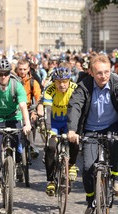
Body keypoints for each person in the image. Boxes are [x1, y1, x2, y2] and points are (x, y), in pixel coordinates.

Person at [67, 54, 118, 214]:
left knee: (116, 144)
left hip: (112, 126)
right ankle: (91, 201)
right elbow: (75, 105)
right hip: (90, 129)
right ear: (91, 72)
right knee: (89, 166)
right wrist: (72, 130)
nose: (103, 76)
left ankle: (117, 178)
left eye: (106, 72)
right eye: (99, 73)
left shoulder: (117, 83)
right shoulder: (84, 86)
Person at [0, 58, 32, 195]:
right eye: (0, 74)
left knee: (18, 145)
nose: (3, 77)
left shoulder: (17, 86)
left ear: (10, 73)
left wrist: (27, 124)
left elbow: (23, 106)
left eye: (5, 73)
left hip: (14, 118)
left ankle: (16, 165)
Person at [42, 66, 80, 196]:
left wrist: (75, 129)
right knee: (51, 147)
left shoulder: (75, 89)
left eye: (65, 81)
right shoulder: (49, 90)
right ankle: (50, 180)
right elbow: (47, 111)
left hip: (69, 122)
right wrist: (49, 131)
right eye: (59, 81)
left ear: (70, 80)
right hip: (54, 123)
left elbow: (79, 109)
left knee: (75, 141)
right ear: (54, 81)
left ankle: (72, 165)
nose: (62, 84)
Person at [15, 59, 44, 159]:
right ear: (17, 70)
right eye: (20, 69)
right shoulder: (12, 80)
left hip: (29, 108)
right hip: (15, 109)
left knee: (32, 122)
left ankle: (32, 145)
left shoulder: (33, 82)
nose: (22, 71)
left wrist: (37, 110)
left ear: (28, 70)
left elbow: (39, 97)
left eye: (24, 69)